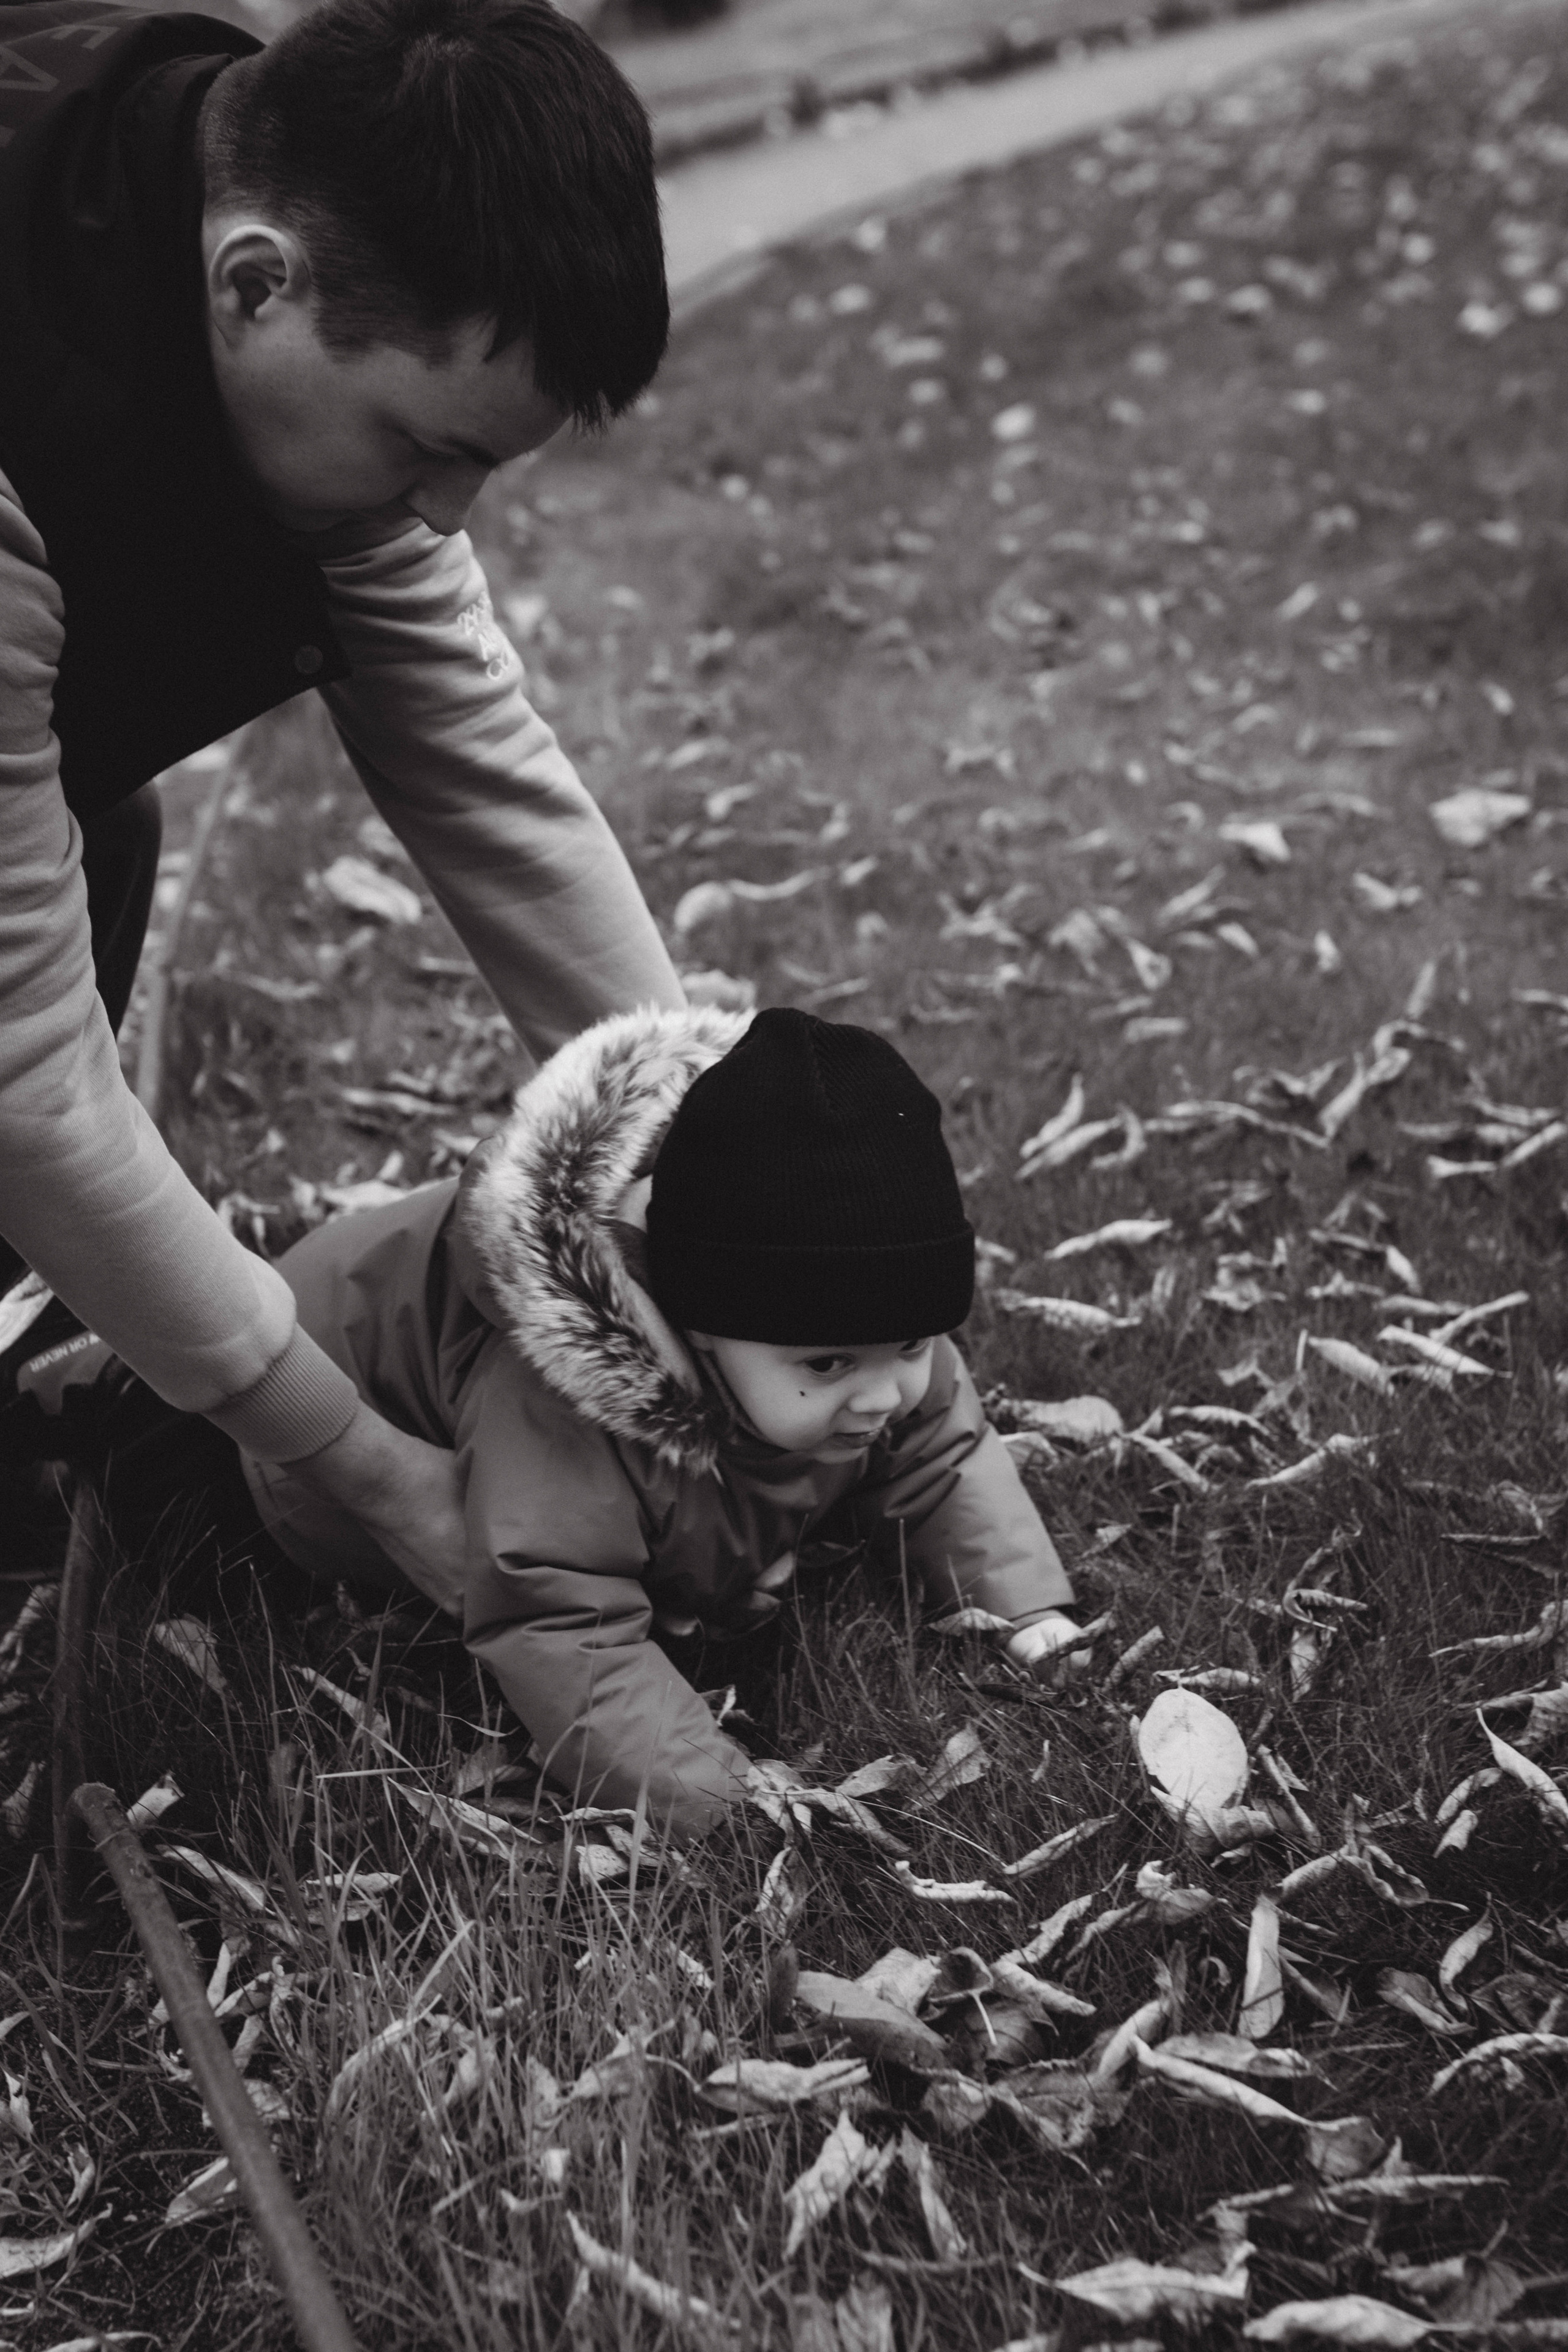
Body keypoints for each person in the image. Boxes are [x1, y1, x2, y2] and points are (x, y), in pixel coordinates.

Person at [0, 0, 683, 1589]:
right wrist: (364, 1467)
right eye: (423, 446)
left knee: (100, 835)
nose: (446, 510)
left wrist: (717, 1174)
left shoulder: (241, 177)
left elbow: (481, 764)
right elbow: (32, 1087)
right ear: (255, 285)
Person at [227, 1007, 1085, 1841]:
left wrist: (1024, 1612)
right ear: (695, 1331)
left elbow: (944, 1453)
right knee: (174, 1484)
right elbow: (561, 1622)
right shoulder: (564, 1396)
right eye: (828, 1364)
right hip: (287, 1427)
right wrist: (724, 1805)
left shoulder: (868, 1350)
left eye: (911, 1344)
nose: (883, 1395)